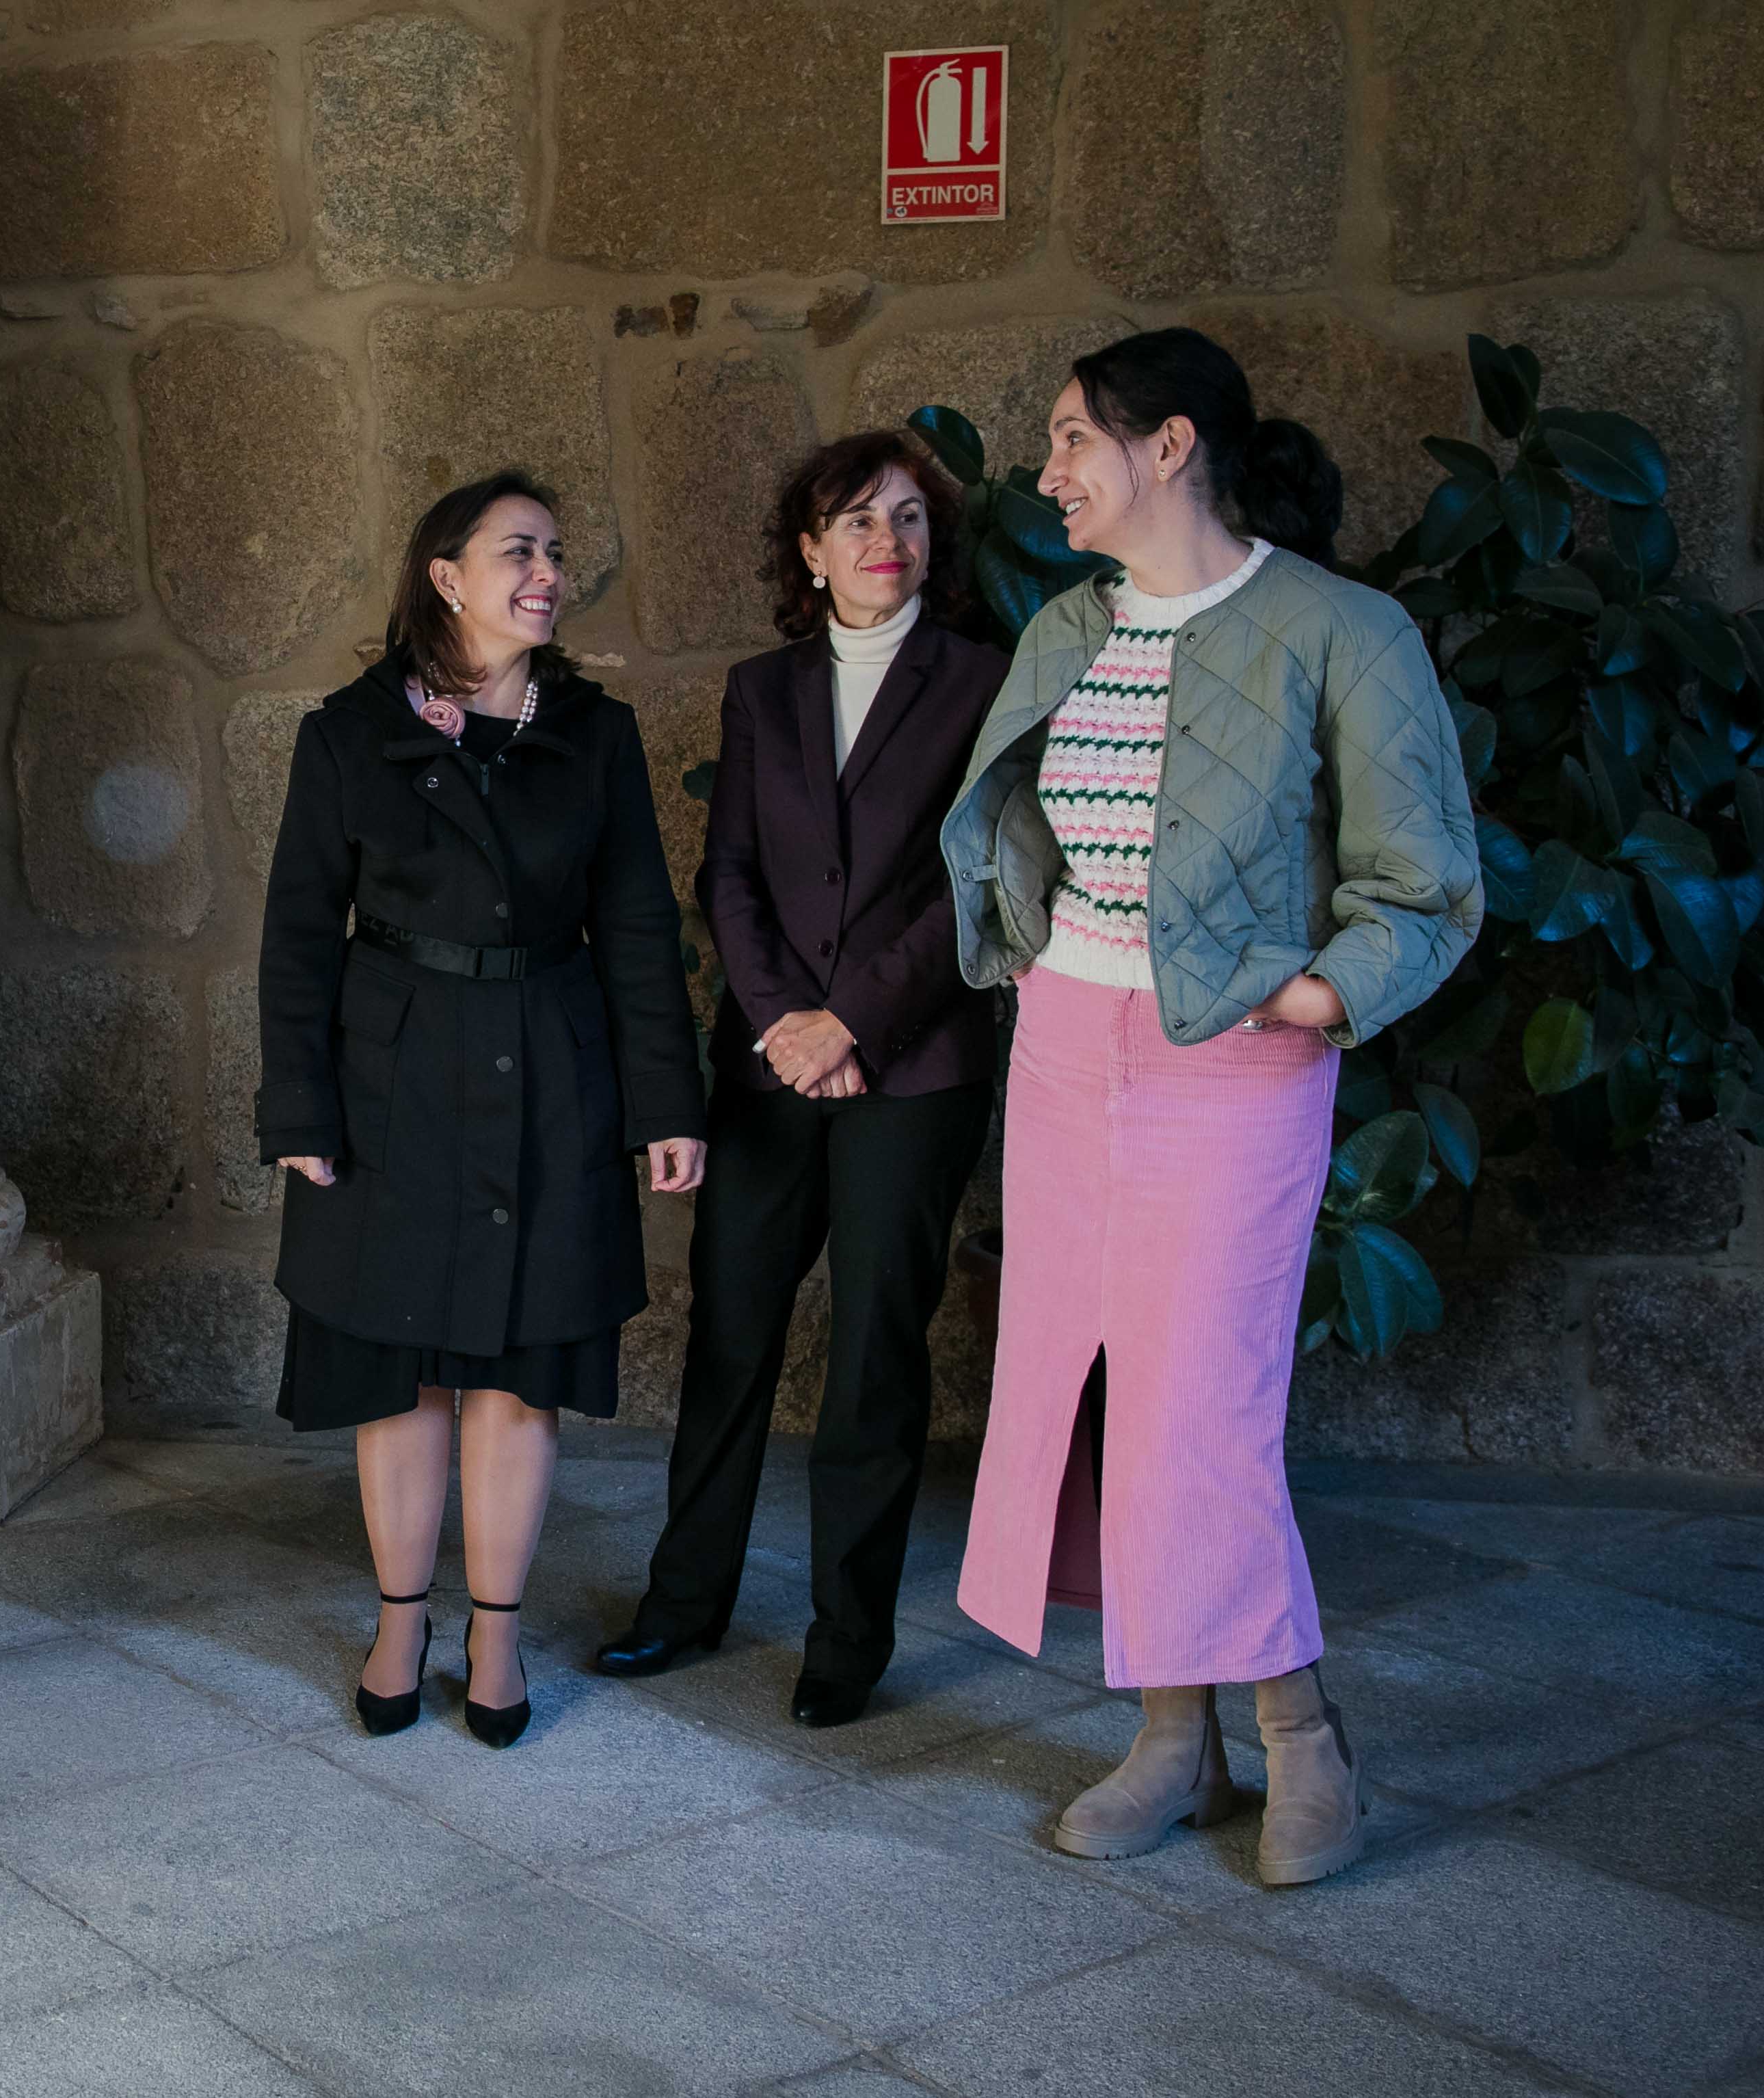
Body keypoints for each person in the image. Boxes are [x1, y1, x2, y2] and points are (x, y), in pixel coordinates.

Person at [940, 328, 1481, 1885]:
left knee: (1203, 1402)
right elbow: (1012, 827)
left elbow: (1427, 884)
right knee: (1106, 1386)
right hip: (1063, 1045)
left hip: (1232, 1059)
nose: (1043, 473)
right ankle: (1169, 1740)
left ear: (1168, 445)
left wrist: (1315, 997)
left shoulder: (1340, 629)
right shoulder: (1063, 629)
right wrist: (1034, 954)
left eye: (1066, 441)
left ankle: (1302, 1737)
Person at [257, 471, 707, 1749]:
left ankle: (495, 1629)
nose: (546, 573)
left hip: (551, 1072)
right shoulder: (347, 732)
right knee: (397, 1370)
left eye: (555, 551)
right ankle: (401, 1618)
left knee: (519, 1375)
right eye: (518, 551)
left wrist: (664, 1103)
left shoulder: (595, 734)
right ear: (444, 575)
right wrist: (297, 1100)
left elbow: (634, 930)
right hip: (388, 1078)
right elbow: (299, 934)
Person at [594, 431, 1007, 1730]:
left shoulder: (986, 682)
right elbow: (727, 873)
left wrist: (853, 1022)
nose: (888, 539)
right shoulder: (759, 688)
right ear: (809, 552)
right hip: (770, 1064)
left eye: (909, 518)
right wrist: (781, 1021)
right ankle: (683, 1600)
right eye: (858, 519)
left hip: (913, 1064)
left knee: (876, 1353)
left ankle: (848, 1638)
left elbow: (979, 882)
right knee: (729, 1334)